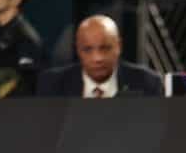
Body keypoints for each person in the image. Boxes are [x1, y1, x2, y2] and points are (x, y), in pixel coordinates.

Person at [35, 15, 163, 98]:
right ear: (77, 49)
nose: (97, 58)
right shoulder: (52, 84)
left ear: (119, 46)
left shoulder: (147, 83)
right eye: (87, 49)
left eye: (105, 48)